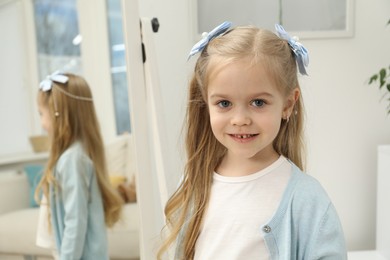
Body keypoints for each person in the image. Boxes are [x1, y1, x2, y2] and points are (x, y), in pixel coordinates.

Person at [158, 22, 347, 260]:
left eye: (258, 102)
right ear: (206, 102)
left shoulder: (307, 199)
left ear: (288, 104)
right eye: (224, 103)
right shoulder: (193, 181)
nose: (240, 120)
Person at [35, 72, 123, 259]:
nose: (41, 123)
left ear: (58, 113)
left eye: (42, 114)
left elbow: (75, 221)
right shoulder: (75, 156)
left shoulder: (72, 159)